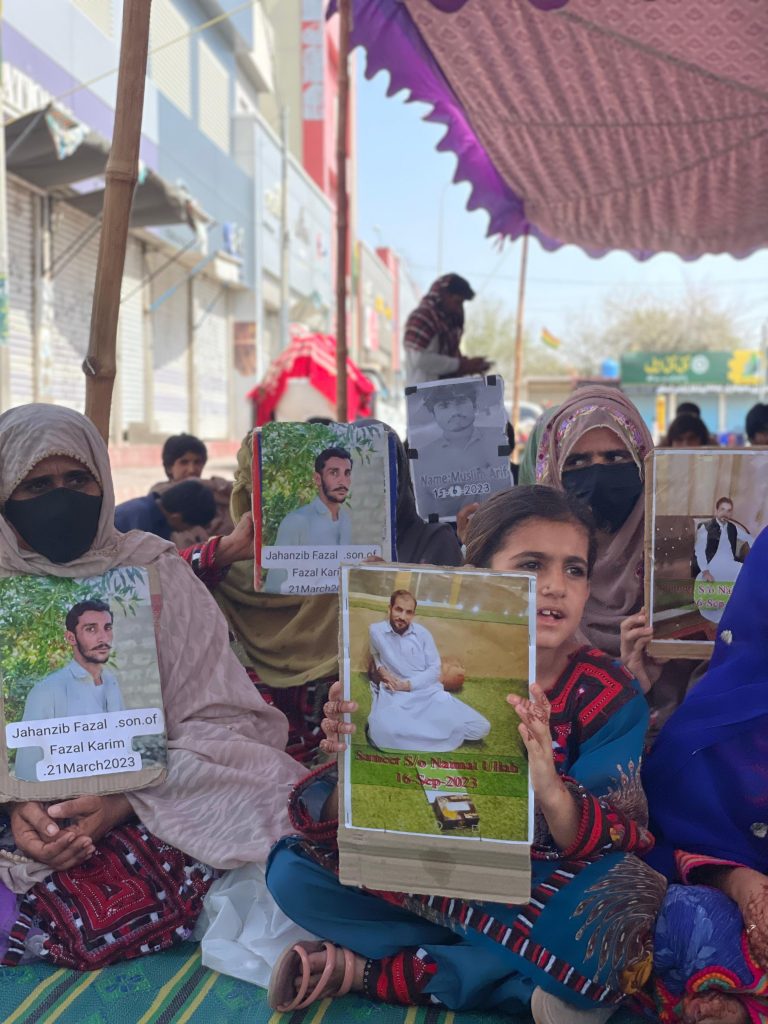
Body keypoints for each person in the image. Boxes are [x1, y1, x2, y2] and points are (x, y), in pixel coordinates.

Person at [265, 486, 663, 1024]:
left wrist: (548, 788)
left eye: (574, 569)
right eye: (531, 564)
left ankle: (376, 974)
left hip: (533, 882)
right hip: (422, 866)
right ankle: (523, 986)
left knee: (620, 901)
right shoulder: (416, 651)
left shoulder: (608, 690)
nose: (554, 586)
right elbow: (348, 820)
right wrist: (349, 757)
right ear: (480, 574)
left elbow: (617, 831)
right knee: (291, 872)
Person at [0, 403, 304, 969]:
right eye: (36, 485)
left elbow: (225, 717)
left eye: (77, 479)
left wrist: (122, 799)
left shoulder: (154, 568)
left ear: (103, 479)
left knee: (278, 802)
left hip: (165, 791)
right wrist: (22, 810)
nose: (61, 496)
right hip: (22, 814)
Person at [641, 526, 768, 1024]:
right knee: (688, 916)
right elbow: (660, 844)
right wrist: (744, 885)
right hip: (730, 912)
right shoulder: (710, 728)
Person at [13, 599, 125, 782]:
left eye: (107, 628)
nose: (103, 638)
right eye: (91, 629)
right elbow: (27, 770)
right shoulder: (47, 691)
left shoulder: (112, 683)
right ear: (71, 637)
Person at [367, 589, 490, 752]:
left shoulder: (422, 633)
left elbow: (434, 670)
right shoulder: (375, 630)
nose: (402, 617)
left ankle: (419, 728)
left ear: (413, 614)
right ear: (389, 608)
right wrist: (382, 670)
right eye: (398, 609)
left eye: (408, 612)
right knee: (381, 734)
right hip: (395, 694)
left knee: (481, 727)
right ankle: (423, 728)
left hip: (427, 692)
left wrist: (408, 685)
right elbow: (375, 652)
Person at [263, 446, 353, 595]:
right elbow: (275, 587)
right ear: (318, 478)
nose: (342, 480)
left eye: (347, 473)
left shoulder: (346, 521)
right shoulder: (296, 522)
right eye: (334, 473)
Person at [415, 382, 509, 519]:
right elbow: (425, 513)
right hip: (447, 535)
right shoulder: (423, 458)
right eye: (444, 406)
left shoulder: (499, 440)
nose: (455, 412)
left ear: (475, 405)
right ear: (433, 414)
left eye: (461, 401)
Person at [404, 274, 491, 386]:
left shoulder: (446, 323)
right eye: (457, 301)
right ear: (443, 295)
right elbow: (420, 359)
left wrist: (468, 366)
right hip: (424, 398)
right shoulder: (423, 317)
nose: (458, 308)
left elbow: (448, 358)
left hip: (442, 396)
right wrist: (461, 365)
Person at [152, 433, 234, 548]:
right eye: (184, 462)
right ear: (170, 467)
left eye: (197, 462)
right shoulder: (160, 494)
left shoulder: (217, 490)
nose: (192, 469)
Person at [115, 479, 215, 541]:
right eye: (188, 528)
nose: (186, 531)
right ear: (176, 518)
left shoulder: (160, 518)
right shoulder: (141, 524)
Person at [693, 496, 753, 583]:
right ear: (716, 511)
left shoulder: (733, 527)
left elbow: (750, 539)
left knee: (750, 574)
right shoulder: (705, 527)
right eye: (722, 509)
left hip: (731, 564)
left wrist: (757, 552)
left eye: (728, 511)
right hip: (711, 565)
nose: (725, 513)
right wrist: (705, 572)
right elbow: (700, 552)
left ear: (731, 513)